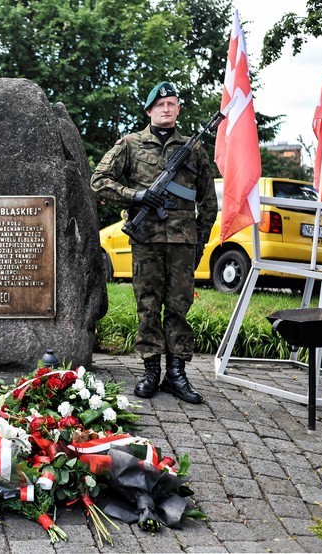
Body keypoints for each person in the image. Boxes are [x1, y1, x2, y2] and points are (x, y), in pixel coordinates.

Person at [90, 81, 217, 404]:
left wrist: (199, 241)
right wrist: (137, 196)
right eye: (160, 105)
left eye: (172, 104)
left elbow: (209, 201)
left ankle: (177, 374)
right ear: (149, 110)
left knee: (179, 307)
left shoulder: (194, 148)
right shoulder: (130, 145)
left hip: (182, 243)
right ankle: (150, 371)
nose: (166, 109)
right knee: (147, 306)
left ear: (177, 110)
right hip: (146, 239)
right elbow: (99, 181)